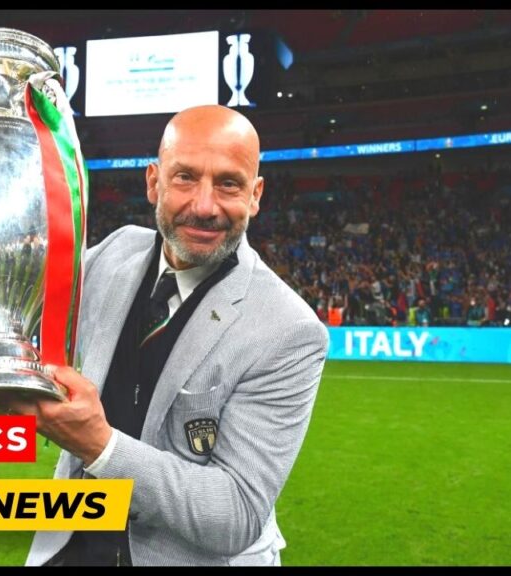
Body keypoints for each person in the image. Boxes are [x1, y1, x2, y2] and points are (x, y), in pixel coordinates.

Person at [18, 105, 329, 566]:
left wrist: (101, 446)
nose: (204, 206)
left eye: (228, 183)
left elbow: (237, 513)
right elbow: (34, 316)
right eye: (185, 177)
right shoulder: (115, 252)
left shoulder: (289, 330)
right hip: (70, 547)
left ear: (256, 194)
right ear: (153, 182)